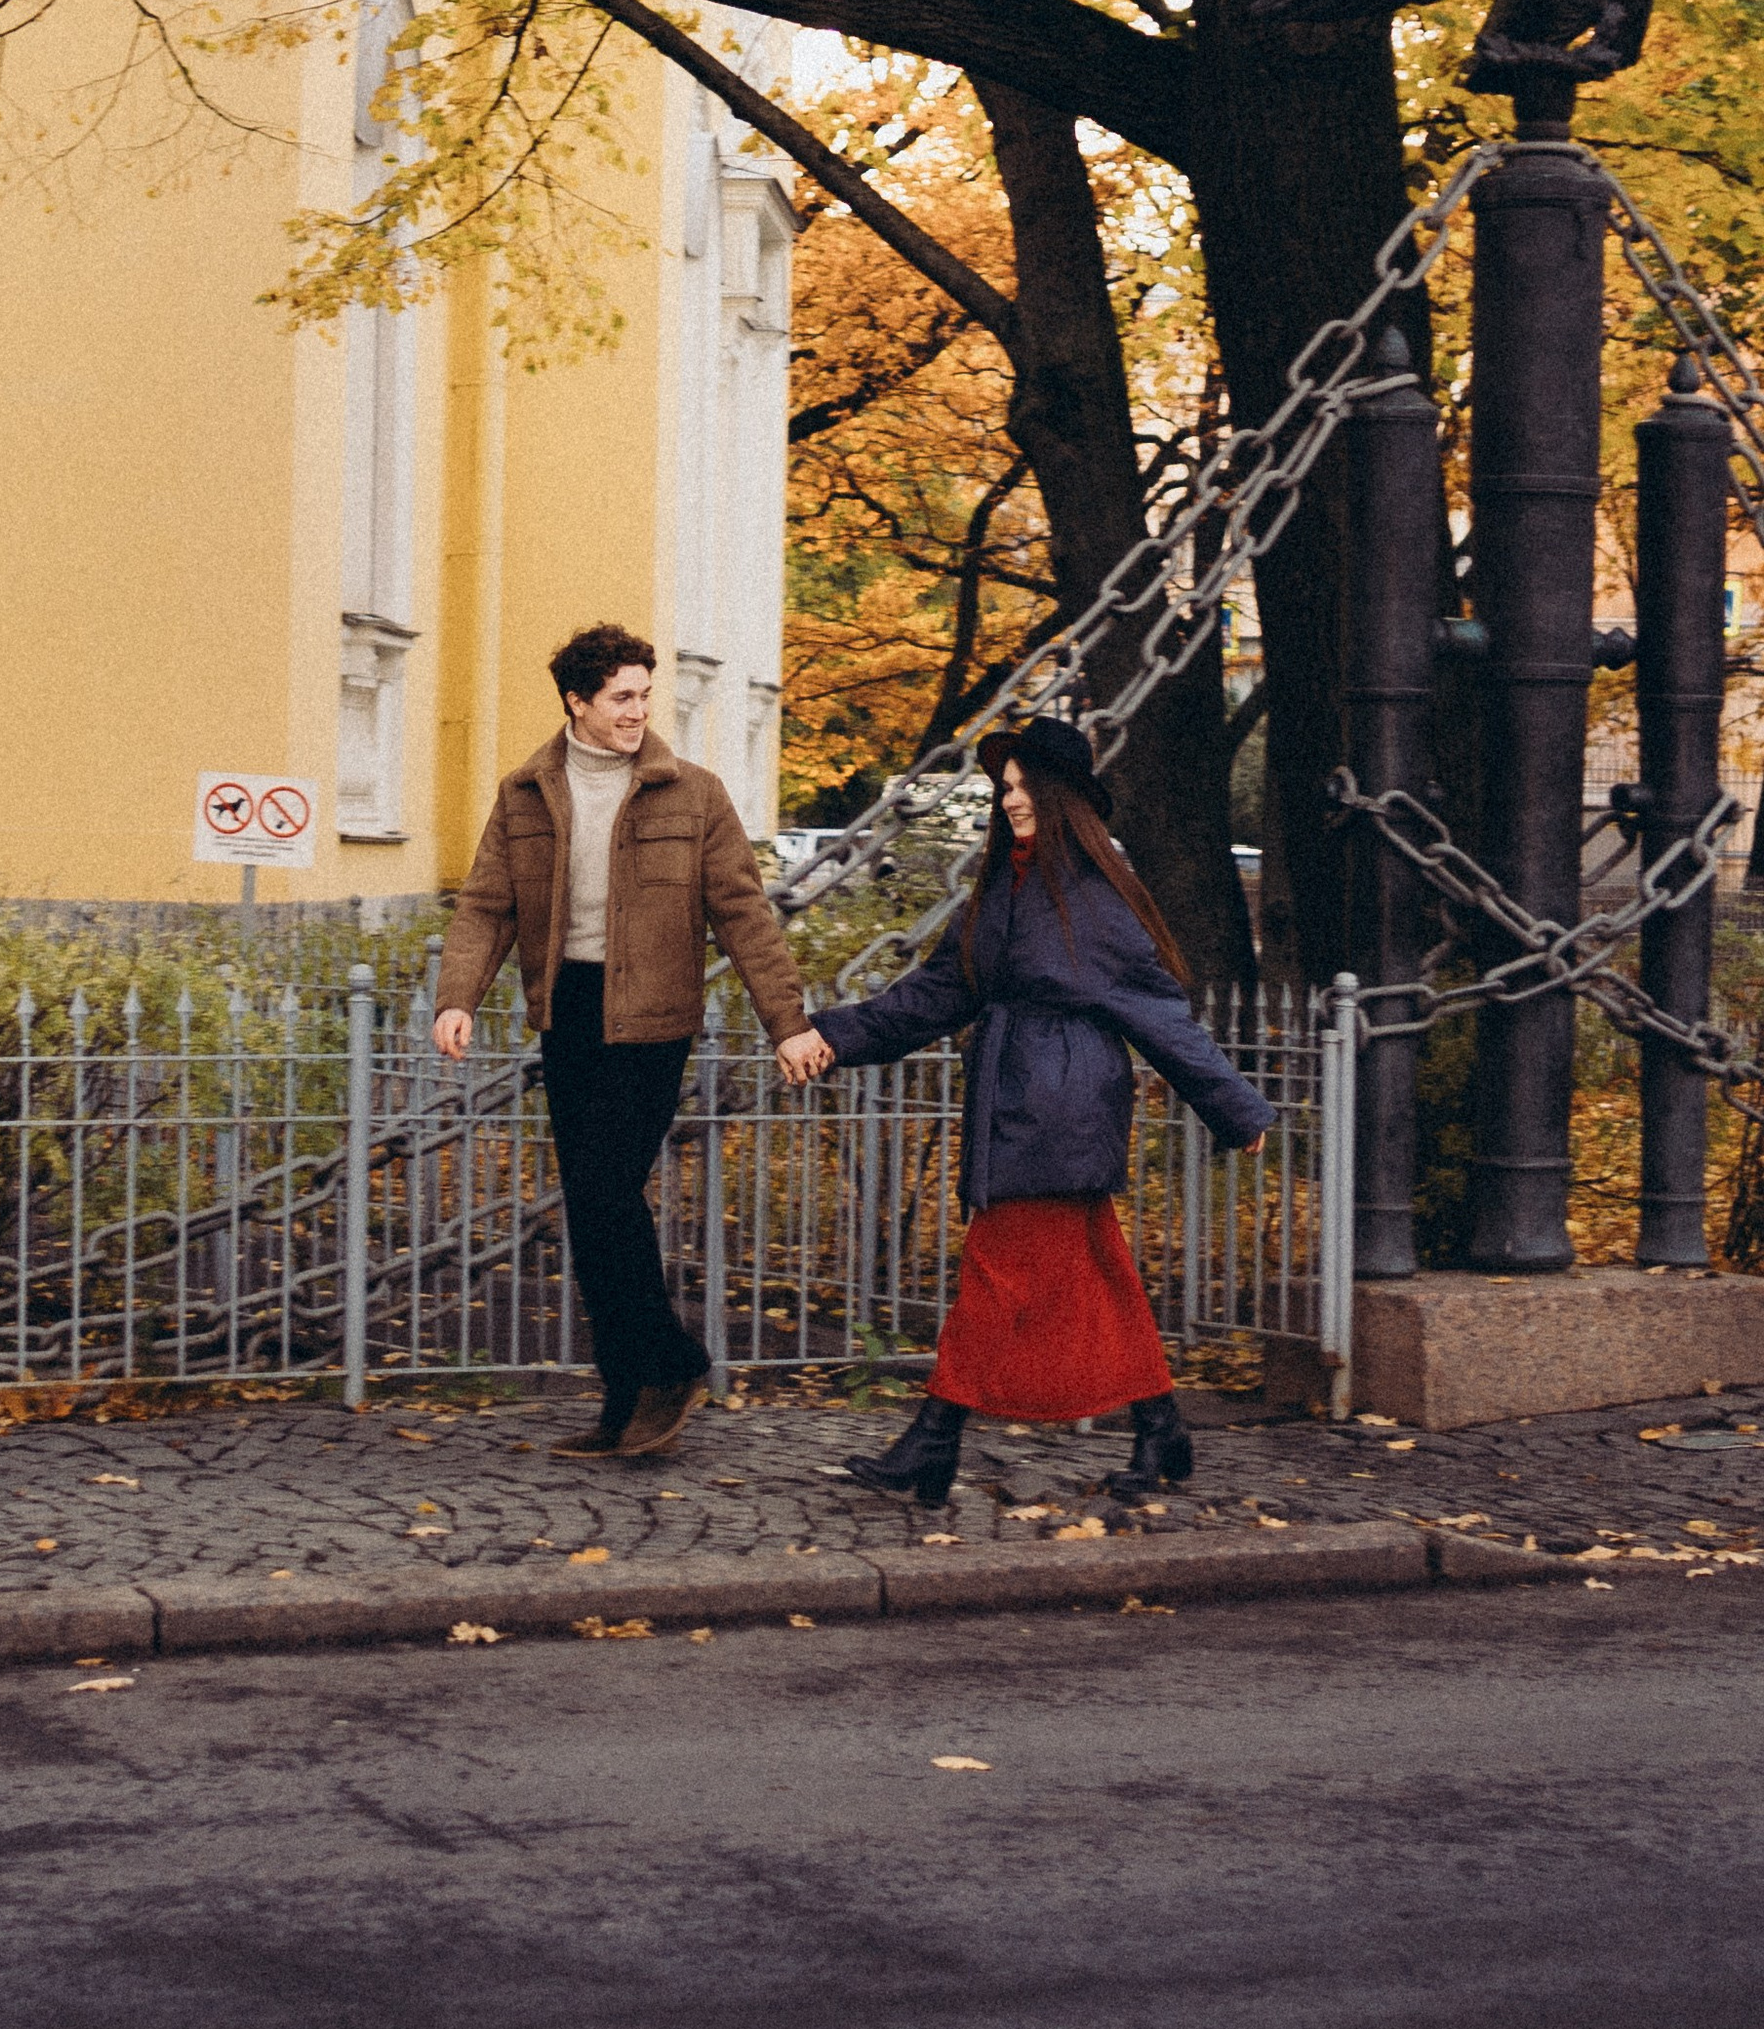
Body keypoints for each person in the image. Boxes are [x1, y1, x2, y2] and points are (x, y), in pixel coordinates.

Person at [779, 717, 1269, 1509]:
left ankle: (933, 1444)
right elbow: (933, 997)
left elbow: (1160, 1014)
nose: (1006, 800)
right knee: (1102, 1275)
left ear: (1059, 794)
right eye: (1000, 788)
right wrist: (826, 1037)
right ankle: (1162, 1429)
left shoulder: (1094, 901)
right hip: (1019, 1103)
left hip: (1059, 1112)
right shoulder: (1003, 888)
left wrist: (1237, 1110)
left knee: (994, 1278)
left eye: (1018, 785)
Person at [433, 625, 822, 1460]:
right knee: (591, 1208)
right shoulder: (526, 791)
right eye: (622, 697)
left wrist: (788, 1024)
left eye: (645, 695)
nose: (638, 712)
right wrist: (456, 999)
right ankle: (626, 1397)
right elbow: (485, 905)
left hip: (652, 1019)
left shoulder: (694, 794)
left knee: (607, 1191)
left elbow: (745, 915)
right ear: (577, 701)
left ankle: (672, 1364)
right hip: (567, 1011)